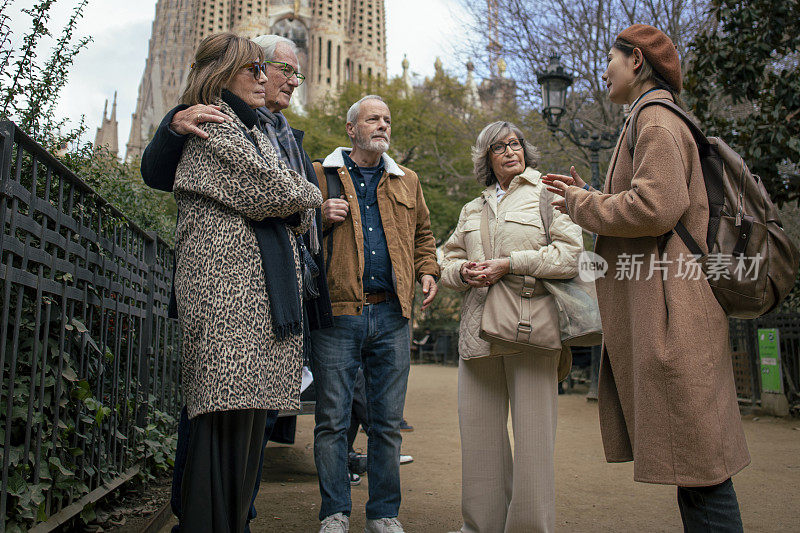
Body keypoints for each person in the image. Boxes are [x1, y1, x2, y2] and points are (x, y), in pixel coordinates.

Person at [542, 24, 750, 532]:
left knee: (702, 469)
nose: (604, 71)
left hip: (674, 313)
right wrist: (590, 192)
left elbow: (656, 208)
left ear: (636, 61)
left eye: (609, 60)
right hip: (674, 305)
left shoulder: (654, 119)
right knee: (695, 465)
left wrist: (579, 202)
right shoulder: (652, 118)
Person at [140, 34, 332, 532]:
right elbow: (287, 190)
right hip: (231, 306)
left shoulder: (260, 130)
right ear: (223, 73)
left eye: (273, 70)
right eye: (256, 68)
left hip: (258, 304)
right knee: (219, 437)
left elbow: (288, 195)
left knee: (243, 438)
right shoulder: (213, 126)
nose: (268, 78)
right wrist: (299, 199)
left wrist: (295, 201)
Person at [439, 121, 581, 533]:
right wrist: (462, 272)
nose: (510, 151)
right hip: (478, 334)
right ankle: (480, 527)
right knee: (480, 441)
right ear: (486, 157)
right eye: (499, 147)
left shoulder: (549, 194)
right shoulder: (472, 209)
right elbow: (442, 261)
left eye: (515, 143)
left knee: (535, 443)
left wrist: (511, 263)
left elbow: (570, 256)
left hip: (532, 331)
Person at [312, 95, 440, 533]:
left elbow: (424, 236)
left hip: (392, 315)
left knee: (386, 423)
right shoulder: (319, 175)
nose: (383, 125)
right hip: (338, 313)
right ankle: (335, 512)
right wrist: (318, 216)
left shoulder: (407, 180)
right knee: (332, 419)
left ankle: (384, 514)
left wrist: (428, 271)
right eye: (373, 119)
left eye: (386, 119)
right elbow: (293, 231)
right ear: (352, 129)